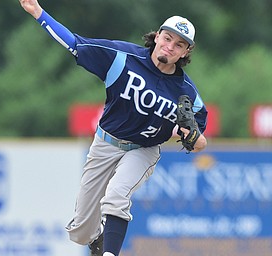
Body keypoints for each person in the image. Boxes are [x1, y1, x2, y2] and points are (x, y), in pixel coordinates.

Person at [19, 1, 208, 255]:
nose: (170, 46)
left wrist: (190, 135)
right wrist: (39, 13)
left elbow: (199, 142)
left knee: (117, 195)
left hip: (143, 150)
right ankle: (97, 239)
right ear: (157, 36)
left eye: (179, 44)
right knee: (82, 231)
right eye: (167, 38)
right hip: (106, 143)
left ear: (186, 52)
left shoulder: (187, 93)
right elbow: (75, 44)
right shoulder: (122, 57)